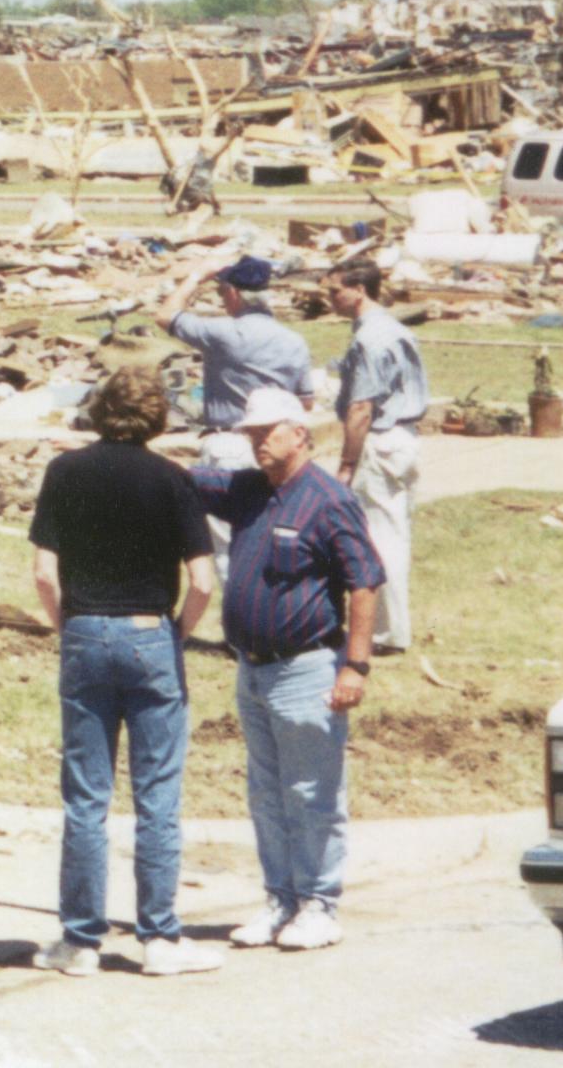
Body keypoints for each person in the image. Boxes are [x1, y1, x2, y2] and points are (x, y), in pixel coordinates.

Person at [27, 364, 222, 979]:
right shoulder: (172, 479)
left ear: (99, 410)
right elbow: (203, 581)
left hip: (86, 630)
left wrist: (69, 626)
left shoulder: (64, 471)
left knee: (87, 796)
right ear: (157, 417)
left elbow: (42, 573)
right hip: (149, 632)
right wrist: (177, 632)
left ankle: (80, 942)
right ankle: (159, 939)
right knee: (157, 794)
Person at [193, 385, 385, 953]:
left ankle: (320, 904)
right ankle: (280, 899)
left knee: (311, 791)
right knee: (267, 793)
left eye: (264, 434)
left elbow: (364, 582)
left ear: (298, 434)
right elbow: (183, 481)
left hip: (306, 669)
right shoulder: (251, 491)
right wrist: (125, 448)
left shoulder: (328, 500)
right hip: (252, 670)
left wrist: (356, 666)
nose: (256, 445)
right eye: (250, 436)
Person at [326, 263, 429, 654]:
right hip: (403, 437)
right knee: (395, 532)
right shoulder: (394, 327)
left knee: (378, 538)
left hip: (381, 439)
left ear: (359, 290)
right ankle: (390, 629)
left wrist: (347, 463)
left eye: (335, 292)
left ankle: (385, 634)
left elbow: (361, 410)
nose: (330, 300)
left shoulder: (370, 339)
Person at [159, 249, 315, 480]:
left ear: (233, 293)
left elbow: (165, 315)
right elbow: (306, 402)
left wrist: (196, 276)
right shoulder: (295, 341)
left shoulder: (221, 333)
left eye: (222, 293)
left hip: (230, 446)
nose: (222, 300)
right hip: (278, 444)